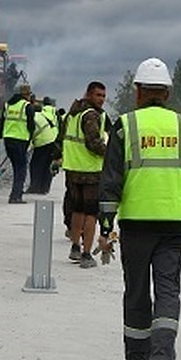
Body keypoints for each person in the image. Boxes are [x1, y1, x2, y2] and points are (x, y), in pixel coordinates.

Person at [98, 57, 181, 360]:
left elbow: (111, 181)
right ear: (168, 92)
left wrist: (105, 228)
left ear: (137, 92)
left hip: (135, 224)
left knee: (136, 291)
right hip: (174, 225)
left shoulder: (125, 126)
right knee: (168, 294)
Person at [61, 81, 109, 267]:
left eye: (103, 96)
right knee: (91, 214)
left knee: (77, 210)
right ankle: (87, 254)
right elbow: (93, 143)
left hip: (72, 169)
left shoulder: (73, 113)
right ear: (89, 94)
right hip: (90, 171)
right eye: (98, 95)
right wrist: (110, 154)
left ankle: (75, 247)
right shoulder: (91, 116)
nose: (102, 100)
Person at [2, 82, 34, 203]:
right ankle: (16, 196)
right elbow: (31, 126)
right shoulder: (27, 106)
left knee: (16, 167)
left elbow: (2, 121)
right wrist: (30, 139)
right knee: (21, 169)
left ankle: (15, 194)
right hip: (20, 141)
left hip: (8, 139)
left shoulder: (8, 105)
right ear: (27, 95)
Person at [25, 95, 60, 195]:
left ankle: (34, 187)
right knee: (47, 166)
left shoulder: (35, 117)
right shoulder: (47, 115)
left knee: (35, 166)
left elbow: (30, 132)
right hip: (52, 140)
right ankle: (44, 188)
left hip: (43, 142)